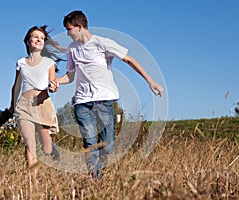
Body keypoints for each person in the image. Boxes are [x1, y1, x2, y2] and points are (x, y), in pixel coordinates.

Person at [53, 10, 164, 181]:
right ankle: (96, 180)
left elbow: (129, 60)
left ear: (80, 26)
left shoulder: (102, 43)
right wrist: (59, 81)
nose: (67, 33)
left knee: (108, 146)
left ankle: (102, 170)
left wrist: (150, 81)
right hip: (82, 102)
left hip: (104, 100)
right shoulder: (72, 49)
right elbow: (71, 75)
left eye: (69, 29)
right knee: (90, 143)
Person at [9, 25, 61, 176]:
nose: (39, 39)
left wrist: (53, 87)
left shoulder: (49, 62)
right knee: (29, 143)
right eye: (35, 36)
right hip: (24, 106)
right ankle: (34, 181)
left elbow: (53, 82)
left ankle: (52, 147)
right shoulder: (21, 63)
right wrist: (12, 106)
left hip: (43, 104)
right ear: (27, 41)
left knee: (46, 149)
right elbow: (16, 86)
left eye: (42, 38)